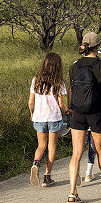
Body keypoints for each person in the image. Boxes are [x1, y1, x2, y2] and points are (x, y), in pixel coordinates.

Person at [66, 32, 101, 203]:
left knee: (76, 154)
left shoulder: (74, 67)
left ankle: (72, 194)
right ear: (97, 47)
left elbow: (72, 91)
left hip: (78, 113)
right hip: (97, 113)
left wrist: (71, 110)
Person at [28, 52, 67, 188]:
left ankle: (36, 163)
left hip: (39, 117)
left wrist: (32, 113)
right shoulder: (59, 82)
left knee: (41, 146)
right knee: (52, 147)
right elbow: (61, 105)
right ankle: (47, 176)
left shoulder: (36, 80)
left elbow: (31, 101)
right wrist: (68, 111)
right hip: (54, 118)